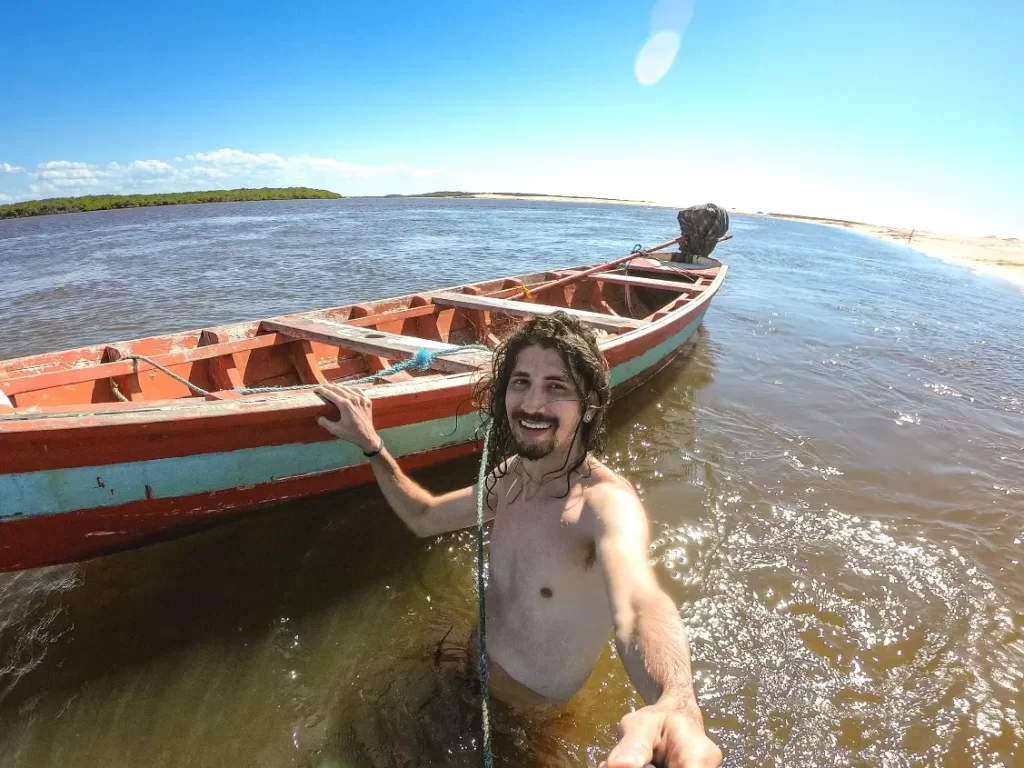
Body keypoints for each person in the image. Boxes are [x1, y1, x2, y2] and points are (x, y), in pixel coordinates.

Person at [316, 312, 722, 768]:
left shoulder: (603, 506)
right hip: (465, 669)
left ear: (588, 403)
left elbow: (640, 605)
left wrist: (677, 700)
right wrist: (373, 446)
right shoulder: (511, 478)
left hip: (525, 727)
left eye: (556, 387)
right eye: (521, 381)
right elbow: (423, 516)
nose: (532, 404)